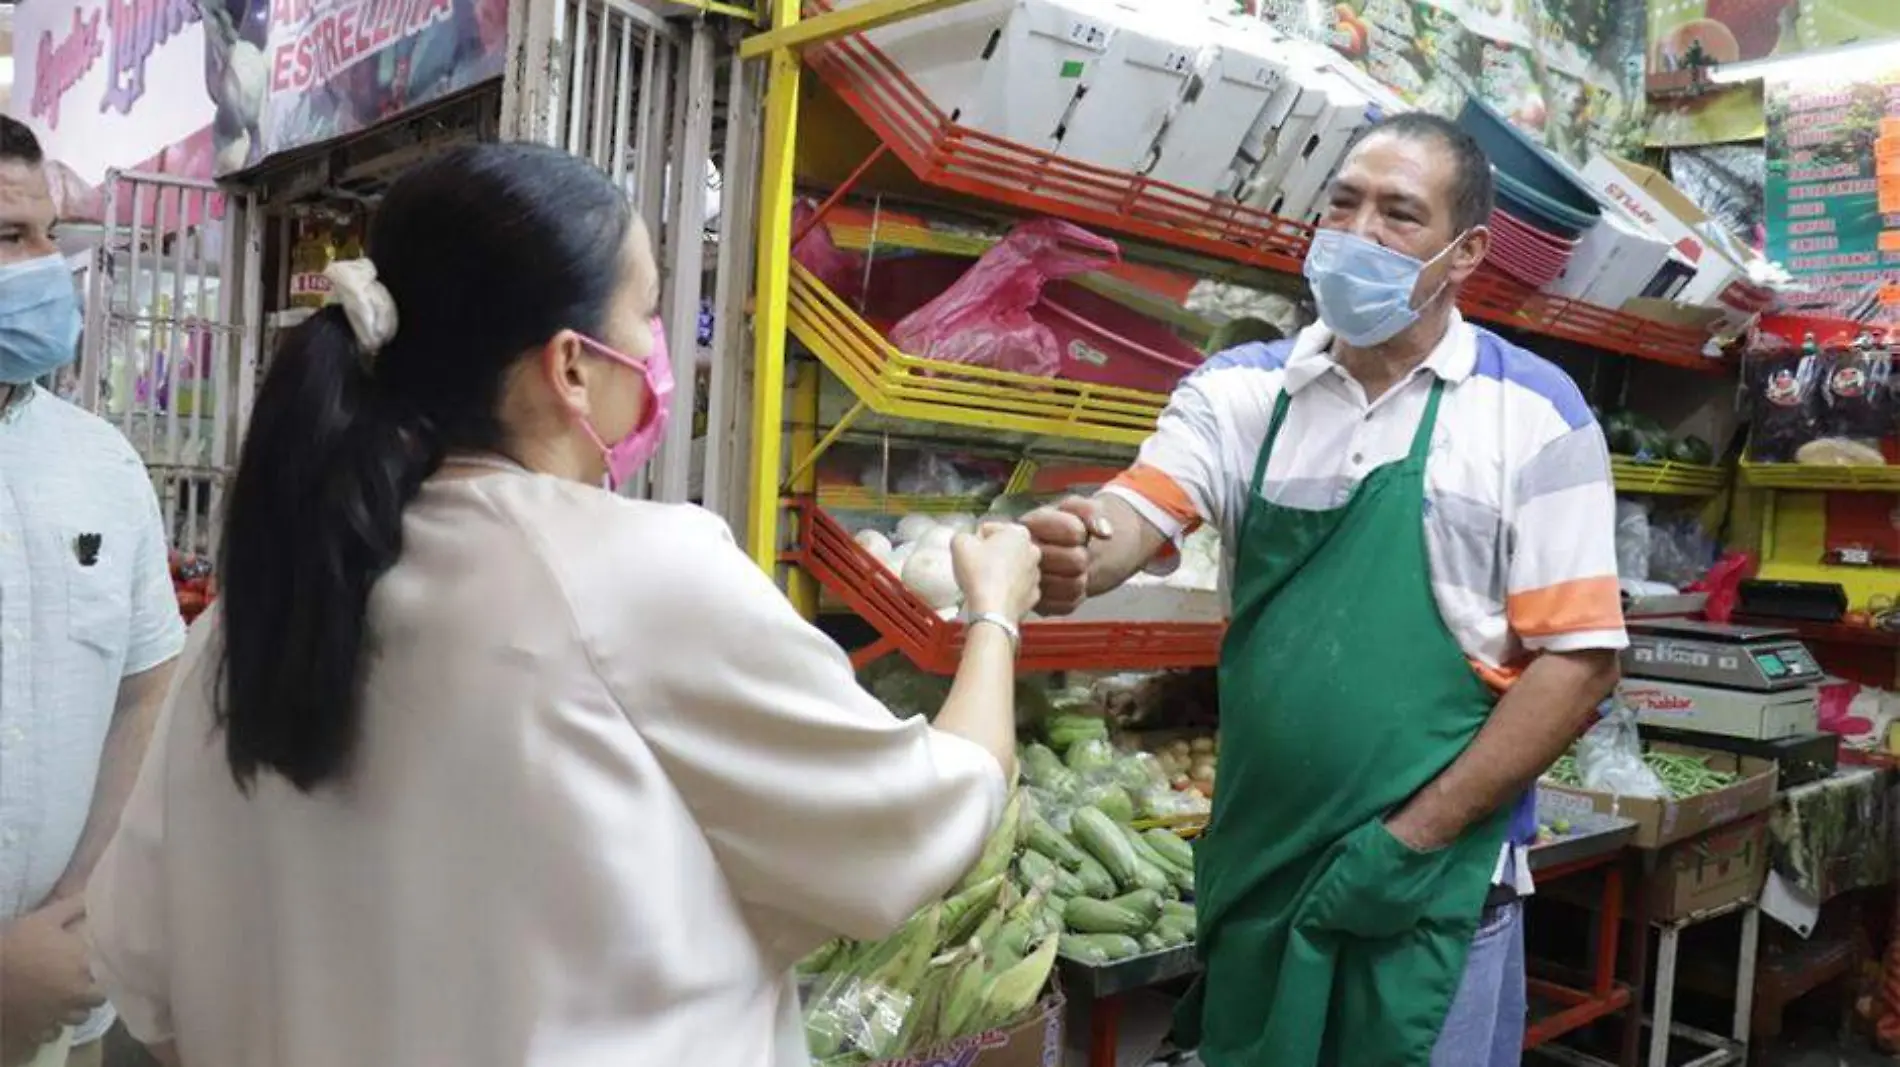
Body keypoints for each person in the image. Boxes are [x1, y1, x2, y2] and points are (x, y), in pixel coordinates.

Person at [85, 142, 1040, 1067]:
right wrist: (993, 612)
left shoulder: (255, 607)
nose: (661, 351)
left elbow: (146, 975)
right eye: (651, 313)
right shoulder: (637, 574)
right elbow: (922, 820)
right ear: (571, 365)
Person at [1024, 113, 1625, 1067]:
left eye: (1399, 214)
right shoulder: (1242, 394)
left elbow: (1581, 660)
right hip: (1262, 872)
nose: (1357, 233)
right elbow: (1134, 514)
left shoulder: (1534, 414)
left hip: (1437, 888)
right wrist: (1074, 548)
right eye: (1343, 203)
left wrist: (1415, 838)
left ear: (1466, 252)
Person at [0, 117, 187, 1067]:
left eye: (47, 235)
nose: (45, 266)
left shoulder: (101, 463)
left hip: (62, 993)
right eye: (8, 239)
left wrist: (79, 904)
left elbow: (146, 685)